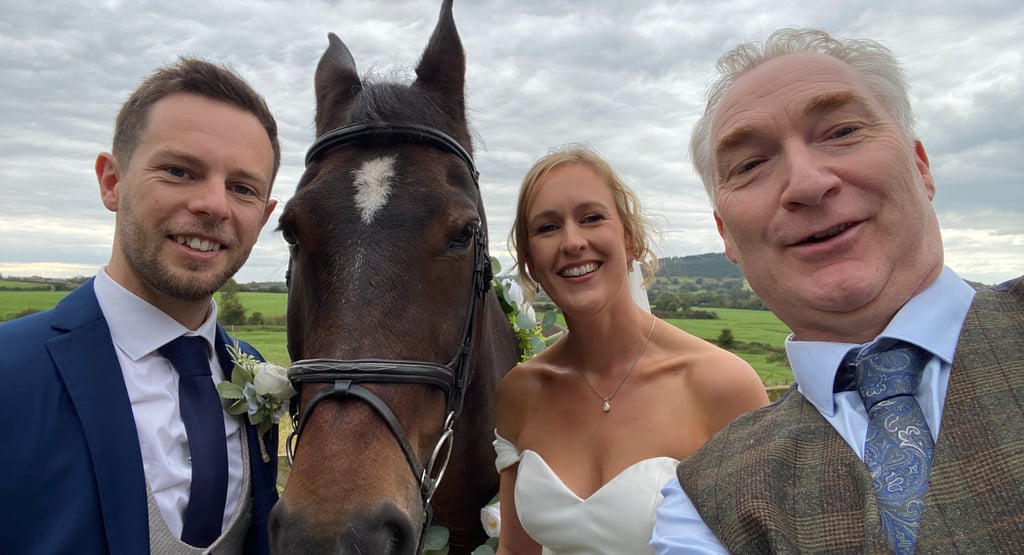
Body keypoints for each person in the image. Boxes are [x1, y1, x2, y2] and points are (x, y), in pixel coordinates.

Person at [651, 28, 1024, 554]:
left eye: (842, 131)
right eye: (751, 165)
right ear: (726, 237)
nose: (806, 183)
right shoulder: (702, 505)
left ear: (921, 167)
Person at [0, 57, 282, 554]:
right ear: (112, 181)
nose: (214, 205)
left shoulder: (254, 373)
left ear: (263, 218)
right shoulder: (9, 370)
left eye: (242, 188)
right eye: (179, 171)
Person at [494, 144, 769, 555]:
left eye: (591, 218)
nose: (572, 241)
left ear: (631, 239)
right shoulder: (521, 392)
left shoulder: (720, 385)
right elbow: (515, 551)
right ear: (531, 261)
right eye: (547, 228)